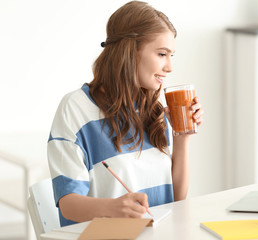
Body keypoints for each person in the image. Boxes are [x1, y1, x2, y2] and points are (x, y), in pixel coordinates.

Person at [47, 0, 204, 227]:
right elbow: (68, 205)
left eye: (171, 56)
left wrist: (182, 137)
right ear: (130, 52)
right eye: (162, 54)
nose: (170, 67)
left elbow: (177, 200)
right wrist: (113, 209)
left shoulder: (153, 110)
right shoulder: (75, 108)